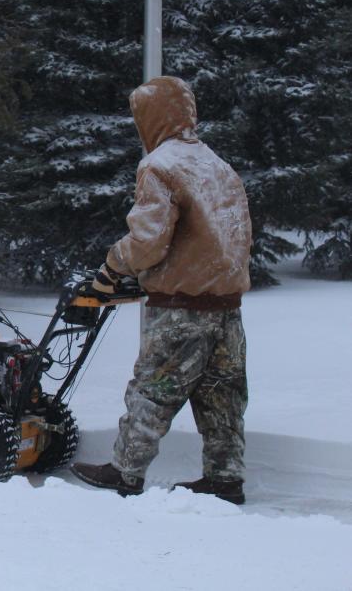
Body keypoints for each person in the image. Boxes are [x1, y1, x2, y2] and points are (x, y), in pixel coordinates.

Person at [71, 75, 252, 505]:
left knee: (153, 389)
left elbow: (149, 240)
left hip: (180, 308)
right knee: (221, 395)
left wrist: (112, 267)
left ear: (150, 117)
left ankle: (124, 472)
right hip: (226, 307)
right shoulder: (217, 164)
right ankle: (225, 478)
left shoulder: (160, 165)